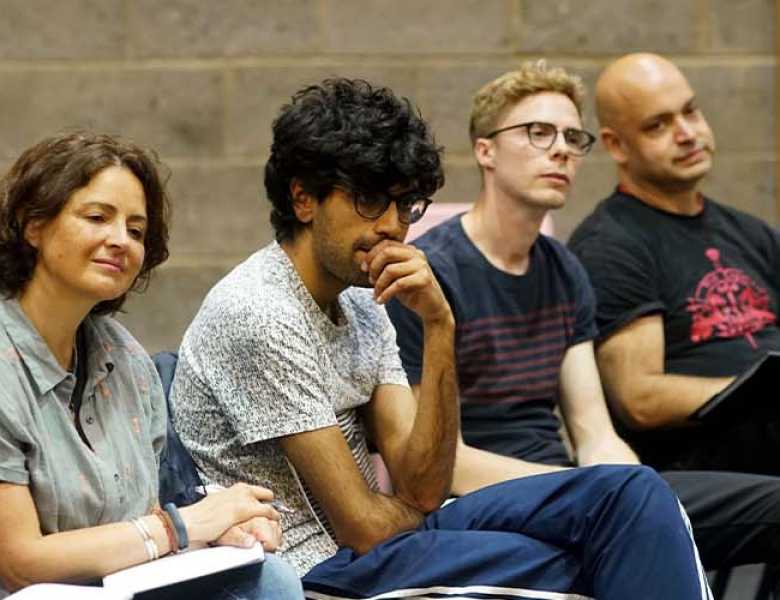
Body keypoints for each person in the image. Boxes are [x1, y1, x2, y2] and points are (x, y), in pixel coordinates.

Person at [171, 77, 712, 599]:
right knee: (577, 559)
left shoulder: (363, 295)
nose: (391, 225)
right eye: (368, 200)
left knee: (631, 496)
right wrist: (409, 511)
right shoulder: (259, 310)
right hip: (319, 567)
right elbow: (364, 527)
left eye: (404, 205)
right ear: (304, 199)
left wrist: (439, 326)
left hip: (392, 537)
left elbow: (424, 484)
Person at [386, 61, 780, 570]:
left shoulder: (564, 268)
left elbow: (594, 432)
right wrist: (590, 487)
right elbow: (447, 465)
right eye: (538, 132)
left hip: (573, 488)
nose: (561, 150)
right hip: (477, 498)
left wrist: (638, 489)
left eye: (573, 137)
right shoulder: (431, 275)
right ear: (486, 150)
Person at [0, 132, 303, 599]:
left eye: (137, 230)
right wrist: (182, 527)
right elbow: (20, 563)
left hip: (119, 586)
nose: (120, 240)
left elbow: (148, 519)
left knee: (270, 579)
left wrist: (222, 528)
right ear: (32, 225)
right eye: (97, 217)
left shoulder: (126, 358)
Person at [569, 53, 780, 476]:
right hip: (703, 464)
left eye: (690, 112)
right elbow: (640, 399)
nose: (687, 134)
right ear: (615, 145)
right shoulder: (610, 244)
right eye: (658, 125)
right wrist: (761, 395)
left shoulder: (751, 232)